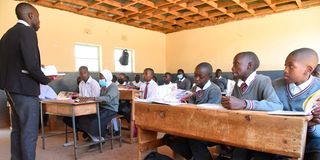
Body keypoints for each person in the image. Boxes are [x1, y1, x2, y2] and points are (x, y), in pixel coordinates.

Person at [0, 3, 52, 159]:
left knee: (17, 129)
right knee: (29, 131)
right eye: (38, 17)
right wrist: (46, 79)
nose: (39, 21)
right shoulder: (28, 32)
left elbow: (14, 62)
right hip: (25, 90)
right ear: (31, 15)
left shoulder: (7, 34)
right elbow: (31, 65)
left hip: (10, 89)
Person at [221, 51, 283, 160]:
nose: (232, 68)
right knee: (238, 154)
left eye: (236, 64)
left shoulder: (263, 80)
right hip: (240, 133)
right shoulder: (235, 83)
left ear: (249, 66)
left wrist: (245, 103)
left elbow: (276, 105)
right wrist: (227, 103)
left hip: (260, 134)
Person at [163, 62, 221, 160]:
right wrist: (183, 101)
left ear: (209, 77)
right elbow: (188, 107)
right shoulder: (194, 88)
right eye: (195, 76)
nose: (196, 79)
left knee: (194, 138)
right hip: (193, 124)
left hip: (210, 128)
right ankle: (195, 156)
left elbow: (210, 114)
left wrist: (191, 105)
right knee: (169, 137)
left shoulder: (214, 90)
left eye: (200, 77)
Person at [273, 48, 320, 160]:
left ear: (308, 69)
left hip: (313, 139)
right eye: (285, 66)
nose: (285, 70)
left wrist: (313, 123)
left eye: (291, 66)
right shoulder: (275, 85)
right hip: (282, 137)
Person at [65, 70, 119, 143]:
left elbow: (107, 98)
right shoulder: (103, 87)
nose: (100, 80)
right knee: (84, 118)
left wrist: (93, 98)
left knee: (95, 121)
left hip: (110, 109)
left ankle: (99, 138)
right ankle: (94, 137)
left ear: (107, 77)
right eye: (100, 78)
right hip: (101, 108)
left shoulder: (113, 87)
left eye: (102, 78)